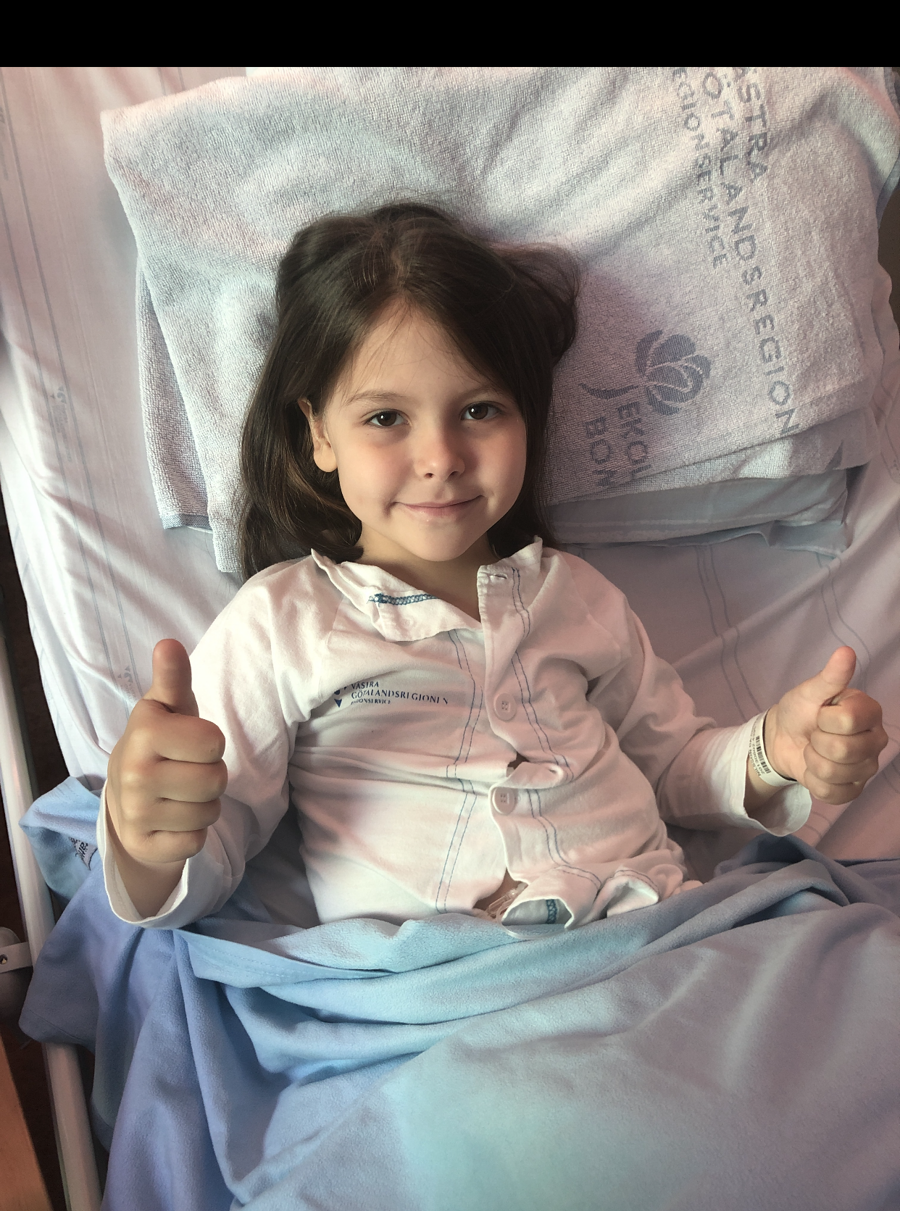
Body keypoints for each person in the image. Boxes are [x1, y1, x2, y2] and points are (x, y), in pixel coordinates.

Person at [100, 204, 889, 930]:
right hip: (449, 985)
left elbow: (675, 769)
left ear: (525, 419)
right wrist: (147, 838)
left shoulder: (577, 596)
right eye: (385, 417)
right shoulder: (284, 621)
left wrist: (774, 753)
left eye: (480, 410)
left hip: (662, 933)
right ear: (320, 434)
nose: (441, 457)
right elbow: (212, 843)